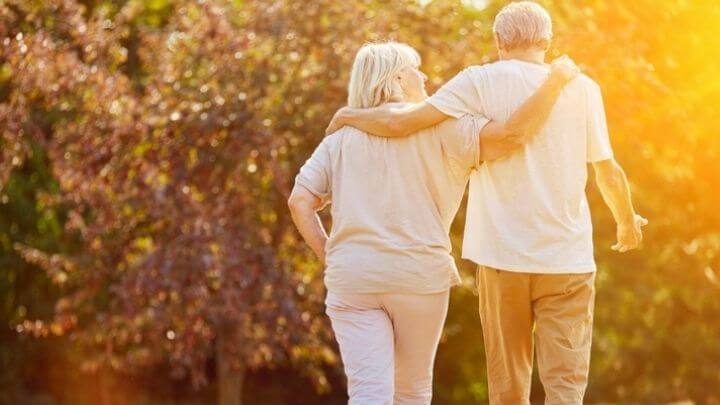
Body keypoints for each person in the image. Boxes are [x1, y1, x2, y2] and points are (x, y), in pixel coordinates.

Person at [324, 3, 648, 405]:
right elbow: (608, 170)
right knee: (566, 386)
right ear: (547, 42)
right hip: (567, 262)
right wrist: (626, 221)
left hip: (501, 258)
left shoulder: (476, 82)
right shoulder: (582, 87)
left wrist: (348, 116)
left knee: (507, 386)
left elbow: (399, 124)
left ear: (498, 41)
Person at [288, 40, 577, 405]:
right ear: (396, 78)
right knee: (412, 392)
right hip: (418, 277)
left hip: (353, 278)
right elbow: (510, 135)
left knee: (368, 392)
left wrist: (331, 256)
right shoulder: (447, 130)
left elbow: (300, 201)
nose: (423, 75)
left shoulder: (339, 139)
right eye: (415, 68)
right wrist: (554, 84)